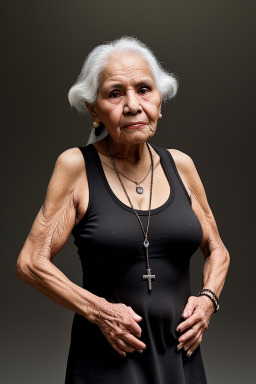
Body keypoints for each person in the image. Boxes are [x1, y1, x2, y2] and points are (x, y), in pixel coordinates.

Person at [15, 36, 230, 383]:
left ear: (160, 102)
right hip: (109, 357)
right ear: (93, 110)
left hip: (179, 356)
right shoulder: (76, 167)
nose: (132, 105)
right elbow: (30, 262)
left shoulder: (181, 165)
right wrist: (100, 312)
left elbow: (218, 249)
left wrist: (207, 302)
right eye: (115, 93)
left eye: (144, 89)